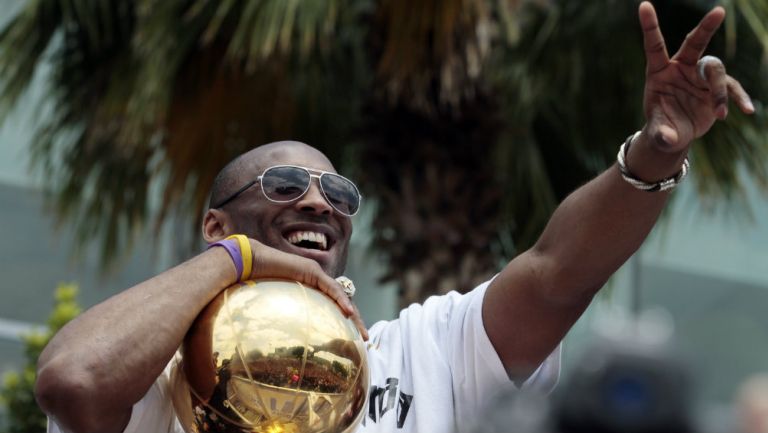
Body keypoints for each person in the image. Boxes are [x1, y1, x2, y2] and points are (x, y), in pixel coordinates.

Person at [34, 3, 755, 433]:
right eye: (284, 184)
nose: (318, 201)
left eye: (339, 193)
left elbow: (555, 275)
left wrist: (655, 154)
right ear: (217, 225)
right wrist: (240, 266)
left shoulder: (416, 350)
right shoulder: (153, 372)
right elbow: (75, 378)